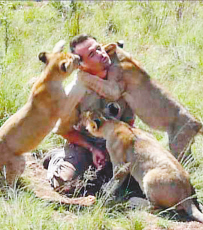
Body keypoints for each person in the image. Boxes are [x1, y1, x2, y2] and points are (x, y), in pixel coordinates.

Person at [43, 34, 144, 198]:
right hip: (85, 144)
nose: (101, 54)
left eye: (98, 48)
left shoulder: (122, 78)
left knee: (142, 182)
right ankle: (56, 158)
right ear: (81, 66)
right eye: (92, 54)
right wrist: (92, 148)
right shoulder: (74, 93)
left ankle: (105, 174)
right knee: (66, 185)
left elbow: (129, 122)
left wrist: (116, 151)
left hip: (116, 141)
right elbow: (63, 130)